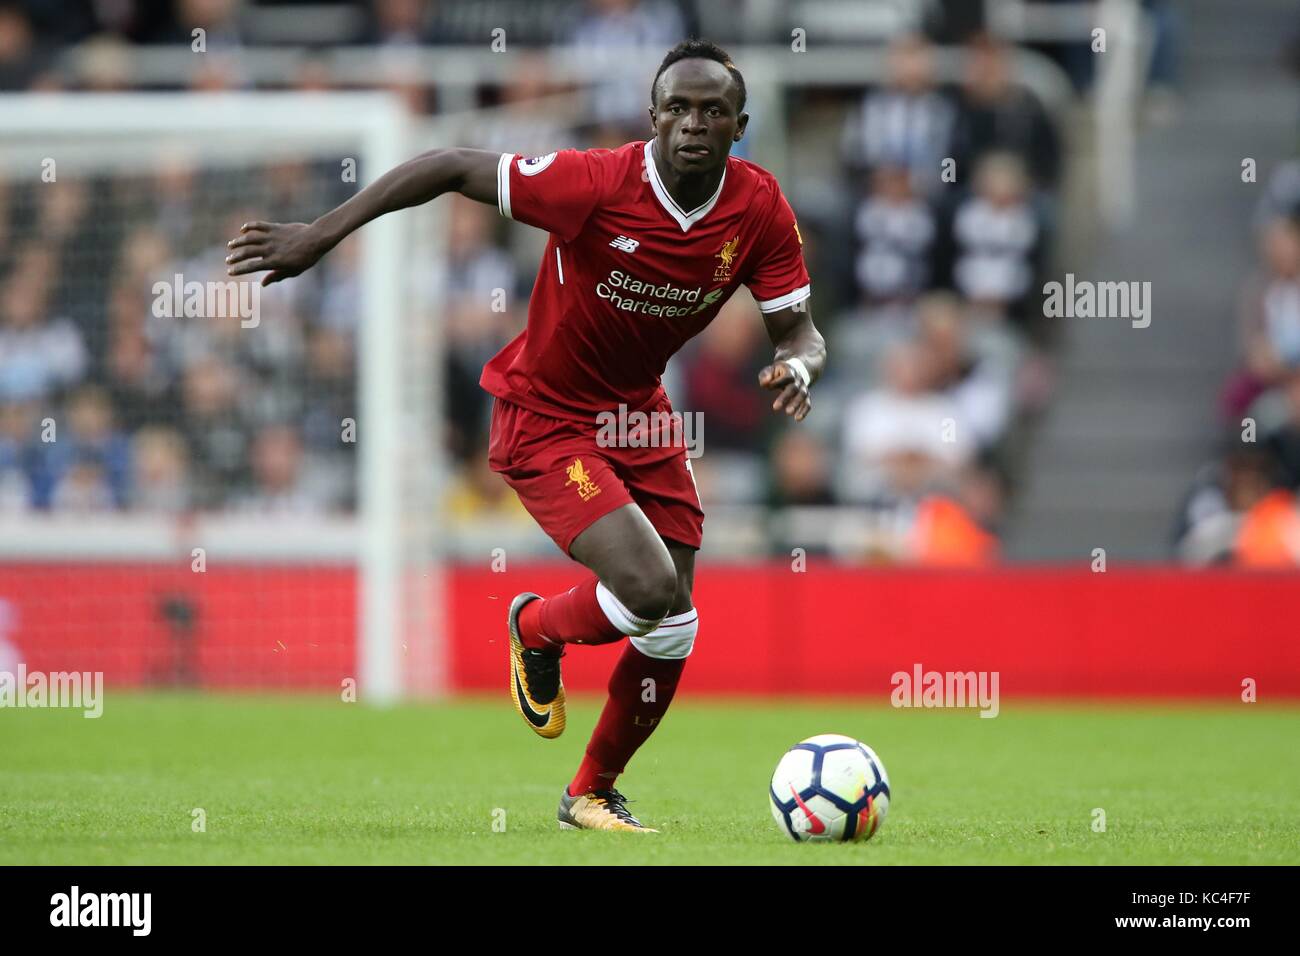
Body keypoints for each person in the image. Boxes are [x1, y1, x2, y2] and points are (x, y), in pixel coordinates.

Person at [226, 39, 825, 832]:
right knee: (650, 591)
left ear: (739, 125)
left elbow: (801, 331)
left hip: (638, 414)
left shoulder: (758, 208)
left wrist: (798, 364)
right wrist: (321, 235)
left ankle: (589, 793)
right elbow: (444, 164)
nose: (691, 124)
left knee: (675, 624)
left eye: (712, 111)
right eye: (676, 108)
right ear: (652, 118)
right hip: (547, 416)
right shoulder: (596, 182)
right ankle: (533, 626)